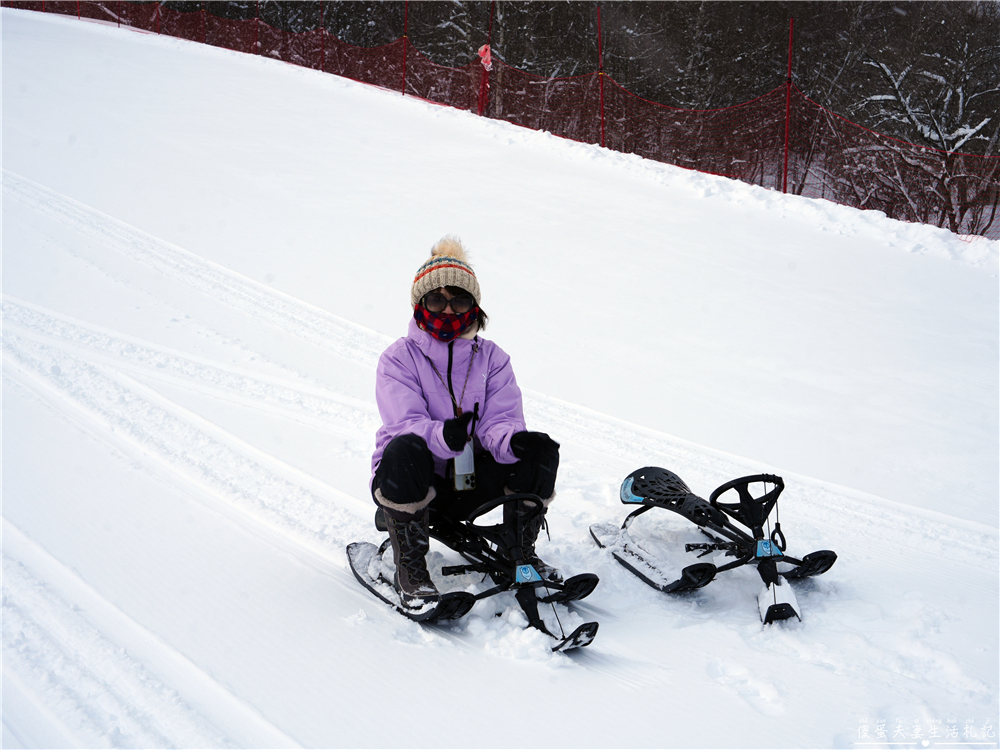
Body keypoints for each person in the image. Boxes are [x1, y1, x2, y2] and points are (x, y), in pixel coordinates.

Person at [370, 236, 561, 610]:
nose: (447, 308)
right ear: (420, 303)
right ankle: (411, 569)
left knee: (539, 452)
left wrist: (514, 442)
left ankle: (519, 552)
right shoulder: (398, 358)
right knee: (405, 448)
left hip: (469, 481)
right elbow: (403, 423)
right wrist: (444, 435)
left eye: (458, 299)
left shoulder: (493, 359)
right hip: (417, 481)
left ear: (473, 306)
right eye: (436, 299)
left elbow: (500, 421)